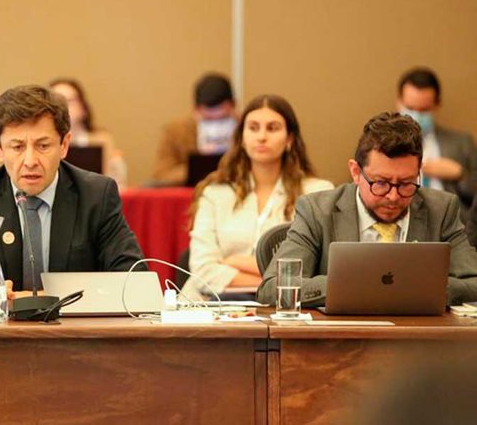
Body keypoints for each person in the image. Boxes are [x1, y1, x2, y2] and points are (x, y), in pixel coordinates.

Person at [0, 85, 144, 299]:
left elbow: (133, 278)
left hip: (73, 330)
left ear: (64, 145)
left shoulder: (96, 194)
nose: (30, 161)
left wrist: (49, 296)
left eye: (43, 146)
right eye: (17, 147)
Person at [257, 112, 477, 307]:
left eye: (406, 183)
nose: (393, 196)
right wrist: (351, 284)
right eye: (380, 183)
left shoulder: (441, 209)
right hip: (338, 346)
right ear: (355, 172)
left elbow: (473, 283)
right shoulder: (316, 211)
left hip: (419, 343)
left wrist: (421, 288)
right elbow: (273, 288)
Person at [184, 95, 333, 298]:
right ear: (242, 139)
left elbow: (316, 272)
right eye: (253, 128)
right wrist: (275, 283)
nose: (262, 136)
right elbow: (203, 271)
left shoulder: (317, 193)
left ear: (290, 139)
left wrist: (237, 262)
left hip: (285, 309)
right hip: (211, 304)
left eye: (272, 128)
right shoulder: (215, 193)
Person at [396, 67, 477, 213]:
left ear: (437, 104)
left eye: (424, 110)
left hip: (453, 225)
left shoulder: (461, 142)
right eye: (410, 108)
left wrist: (459, 174)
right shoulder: (382, 144)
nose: (416, 115)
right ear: (399, 103)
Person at [152, 73, 237, 185]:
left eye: (222, 119)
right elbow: (161, 174)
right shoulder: (176, 131)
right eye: (208, 120)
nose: (215, 126)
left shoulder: (247, 128)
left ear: (233, 106)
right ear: (196, 110)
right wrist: (197, 170)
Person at [49, 78, 127, 188]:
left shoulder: (102, 140)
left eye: (69, 101)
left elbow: (115, 183)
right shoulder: (41, 142)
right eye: (56, 102)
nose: (62, 108)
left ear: (82, 108)